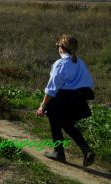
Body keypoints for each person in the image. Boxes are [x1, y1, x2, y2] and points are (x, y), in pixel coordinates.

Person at [36, 35, 95, 167]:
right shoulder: (80, 63)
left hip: (61, 101)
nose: (57, 48)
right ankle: (87, 151)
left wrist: (42, 106)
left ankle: (59, 152)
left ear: (61, 48)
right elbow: (90, 84)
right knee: (68, 126)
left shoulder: (60, 64)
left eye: (58, 45)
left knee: (55, 124)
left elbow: (52, 88)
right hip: (78, 100)